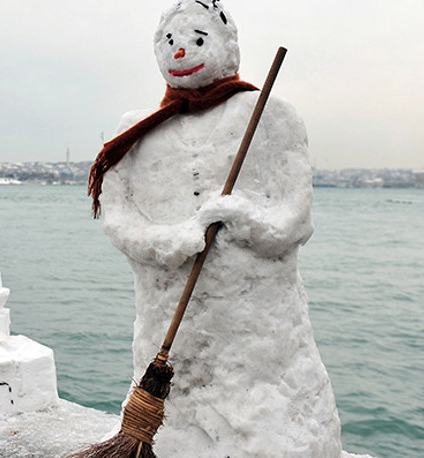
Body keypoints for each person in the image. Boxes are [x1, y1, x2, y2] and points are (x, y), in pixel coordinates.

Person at [90, 1, 343, 456]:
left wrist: (246, 219)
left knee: (265, 424)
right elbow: (118, 219)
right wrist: (173, 240)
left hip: (257, 332)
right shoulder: (136, 132)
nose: (181, 51)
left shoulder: (269, 115)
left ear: (227, 46)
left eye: (198, 39)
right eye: (169, 42)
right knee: (178, 422)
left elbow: (296, 219)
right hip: (166, 318)